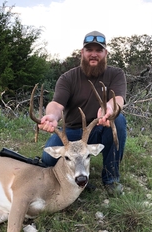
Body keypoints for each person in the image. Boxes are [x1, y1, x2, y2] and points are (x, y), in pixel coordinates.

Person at [39, 30, 127, 196]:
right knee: (48, 159)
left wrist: (108, 110)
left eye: (99, 50)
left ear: (105, 53)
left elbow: (119, 100)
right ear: (82, 52)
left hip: (99, 127)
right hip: (71, 132)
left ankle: (111, 179)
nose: (94, 54)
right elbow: (57, 104)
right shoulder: (68, 78)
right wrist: (52, 116)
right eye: (89, 50)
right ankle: (72, 175)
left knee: (119, 120)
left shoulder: (115, 74)